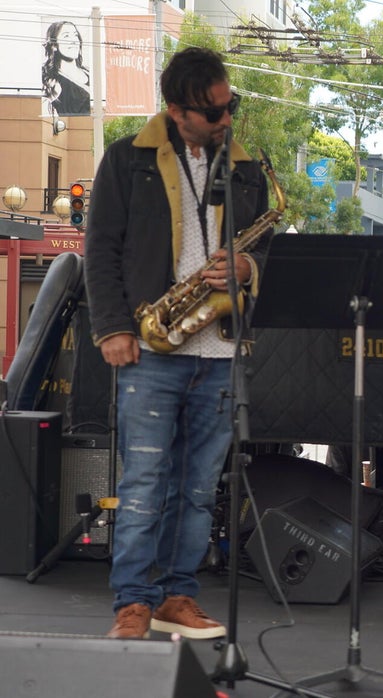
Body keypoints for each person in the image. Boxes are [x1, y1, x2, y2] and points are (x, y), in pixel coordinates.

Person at [85, 46, 271, 640]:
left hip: (220, 349)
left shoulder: (245, 168)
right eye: (213, 113)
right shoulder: (127, 159)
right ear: (176, 111)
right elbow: (99, 248)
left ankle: (176, 596)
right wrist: (112, 327)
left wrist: (248, 268)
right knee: (144, 484)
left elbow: (269, 249)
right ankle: (133, 603)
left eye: (229, 106)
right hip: (151, 348)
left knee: (196, 491)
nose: (225, 119)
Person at [42, 21, 91, 116]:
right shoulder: (51, 81)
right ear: (54, 46)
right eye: (66, 36)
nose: (74, 40)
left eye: (75, 35)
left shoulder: (89, 72)